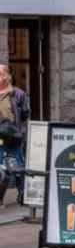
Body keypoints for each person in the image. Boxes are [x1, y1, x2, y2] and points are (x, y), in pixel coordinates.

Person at [0, 64, 30, 207]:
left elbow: (25, 114)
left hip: (14, 136)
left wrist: (19, 131)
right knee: (2, 168)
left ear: (8, 76)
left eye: (1, 74)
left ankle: (23, 194)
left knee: (17, 166)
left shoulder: (18, 94)